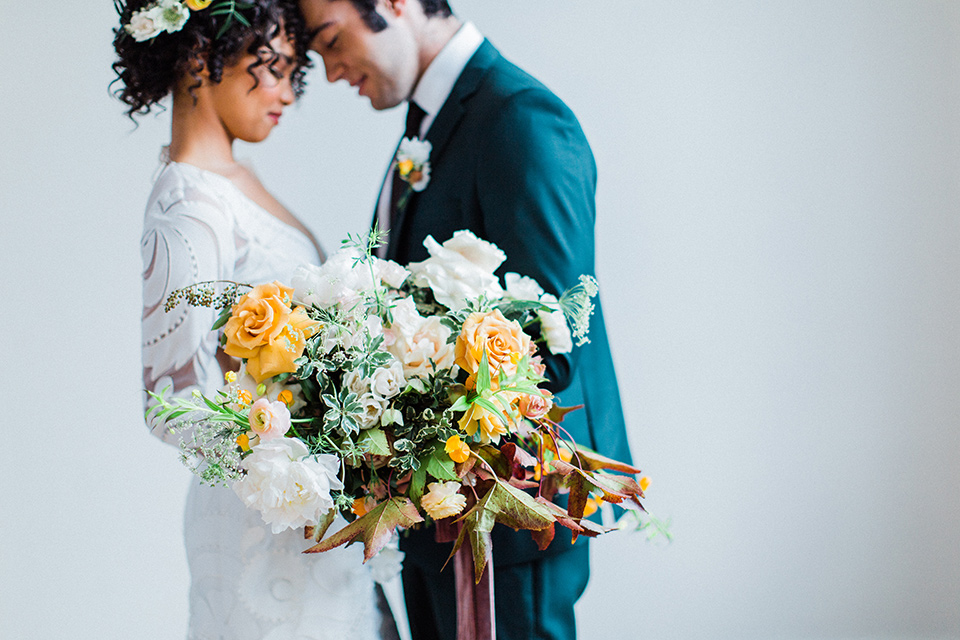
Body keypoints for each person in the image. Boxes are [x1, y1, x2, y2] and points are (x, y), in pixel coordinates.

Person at [296, 1, 634, 639]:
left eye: (330, 40)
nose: (331, 70)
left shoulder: (521, 120)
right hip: (436, 512)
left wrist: (402, 373)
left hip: (506, 517)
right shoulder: (430, 123)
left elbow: (553, 343)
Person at [113, 1, 396, 637]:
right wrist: (293, 472)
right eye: (270, 68)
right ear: (198, 57)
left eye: (292, 73)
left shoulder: (236, 178)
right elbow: (170, 403)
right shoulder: (188, 199)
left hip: (310, 510)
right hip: (265, 521)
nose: (286, 94)